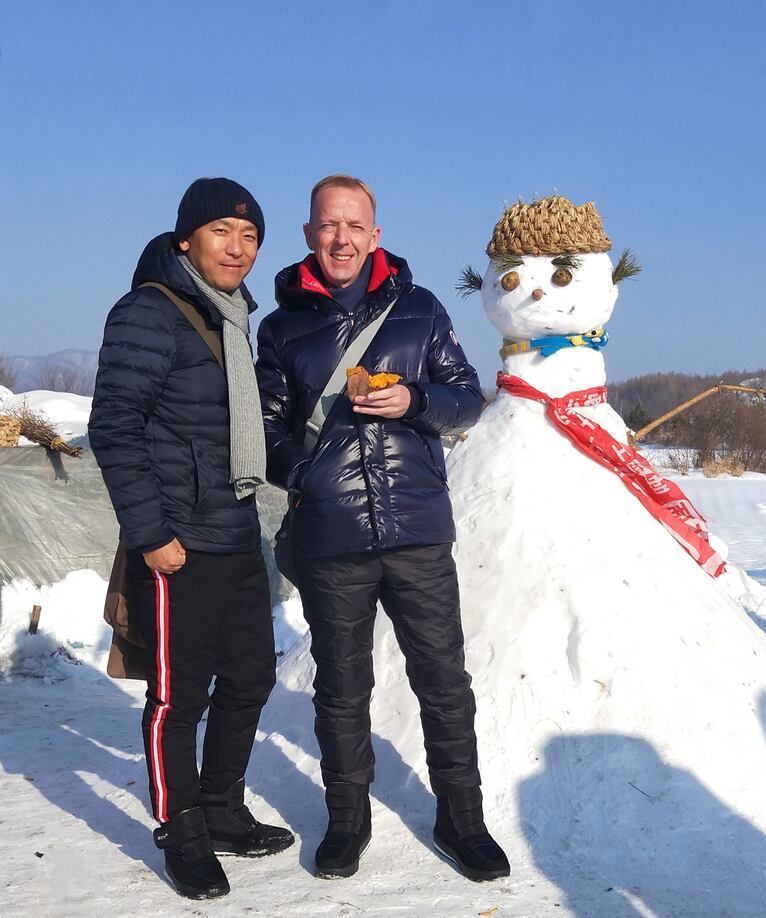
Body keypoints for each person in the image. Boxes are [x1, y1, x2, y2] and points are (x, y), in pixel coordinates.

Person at [256, 174, 510, 882]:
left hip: (418, 529)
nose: (341, 238)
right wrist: (305, 477)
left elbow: (467, 401)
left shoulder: (421, 311)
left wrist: (417, 398)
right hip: (331, 537)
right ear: (309, 235)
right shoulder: (279, 329)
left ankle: (462, 820)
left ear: (375, 235)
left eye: (354, 226)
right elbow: (268, 433)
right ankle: (347, 820)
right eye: (327, 226)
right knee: (341, 687)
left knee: (443, 681)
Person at [89, 177, 294, 900]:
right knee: (178, 697)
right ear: (186, 240)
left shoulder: (232, 316)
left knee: (252, 676)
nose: (237, 249)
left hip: (235, 529)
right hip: (181, 538)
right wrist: (151, 536)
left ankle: (223, 807)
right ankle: (181, 828)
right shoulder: (152, 311)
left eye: (250, 237)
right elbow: (112, 428)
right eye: (221, 233)